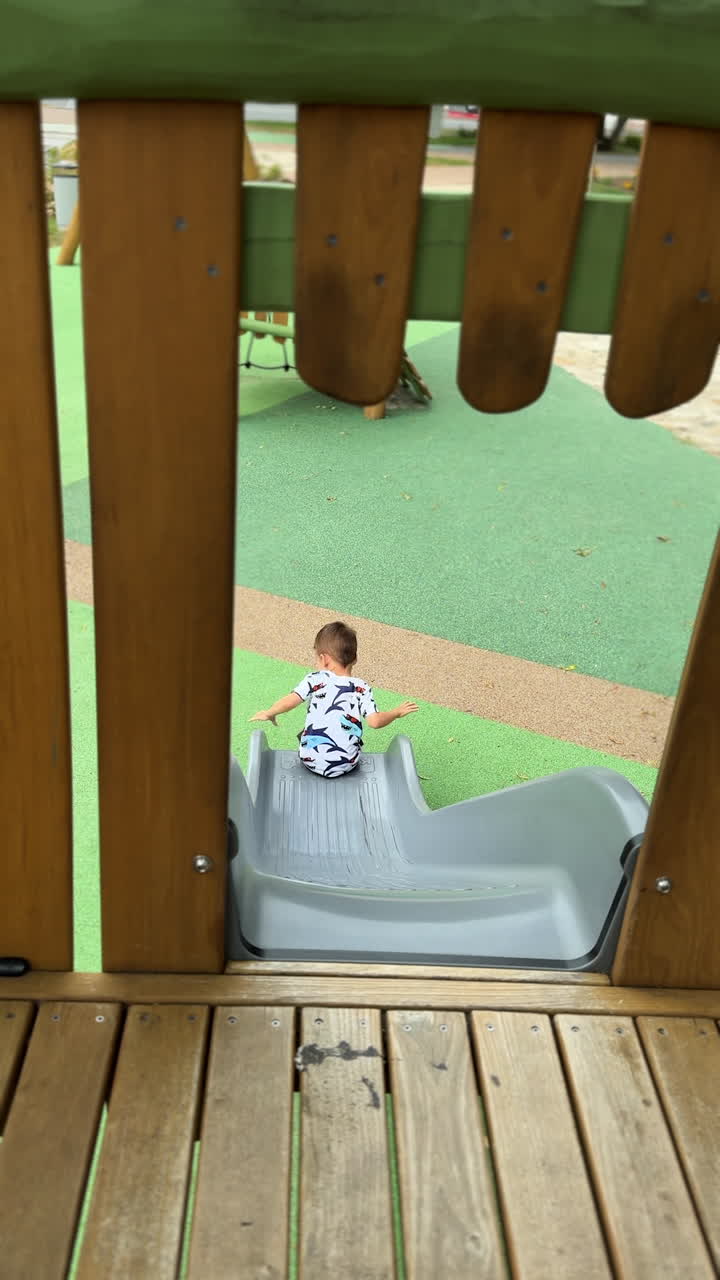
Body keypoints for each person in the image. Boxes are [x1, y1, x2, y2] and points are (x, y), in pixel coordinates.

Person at [250, 620, 418, 777]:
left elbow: (291, 700)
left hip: (309, 760)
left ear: (324, 659)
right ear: (355, 659)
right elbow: (375, 722)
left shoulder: (315, 679)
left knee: (307, 732)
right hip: (347, 763)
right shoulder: (361, 687)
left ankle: (315, 749)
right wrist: (396, 712)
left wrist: (270, 712)